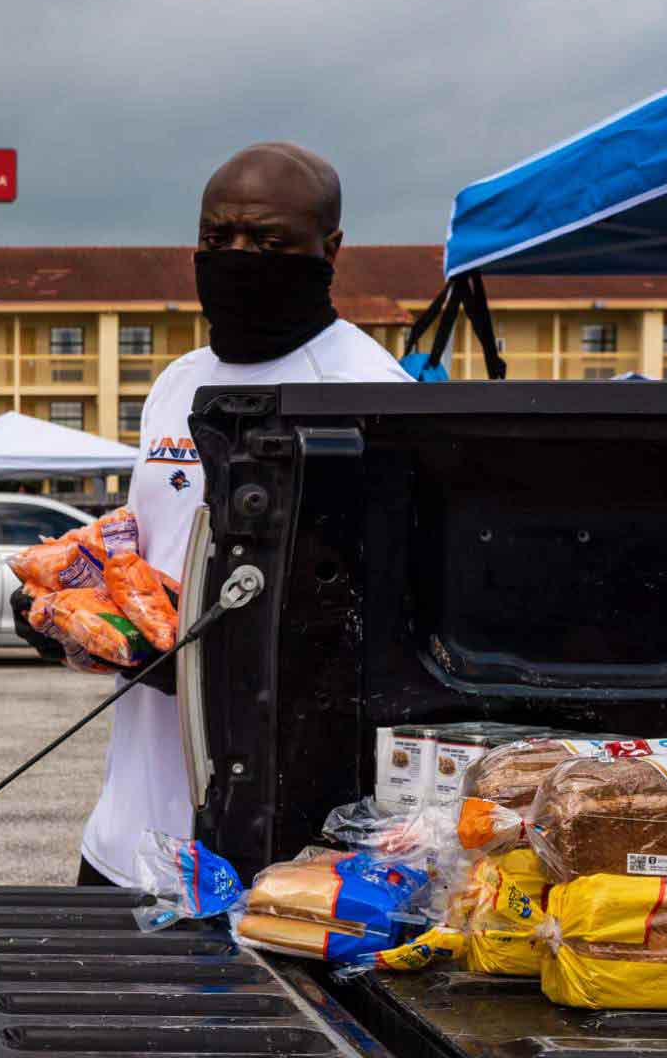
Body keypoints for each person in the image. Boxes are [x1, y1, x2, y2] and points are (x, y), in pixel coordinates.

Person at [74, 142, 413, 888]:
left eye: (267, 242)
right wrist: (73, 614)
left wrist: (208, 665)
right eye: (216, 238)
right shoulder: (178, 381)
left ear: (330, 250)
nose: (236, 257)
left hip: (271, 855)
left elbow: (381, 639)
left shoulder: (368, 392)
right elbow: (142, 558)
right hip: (127, 836)